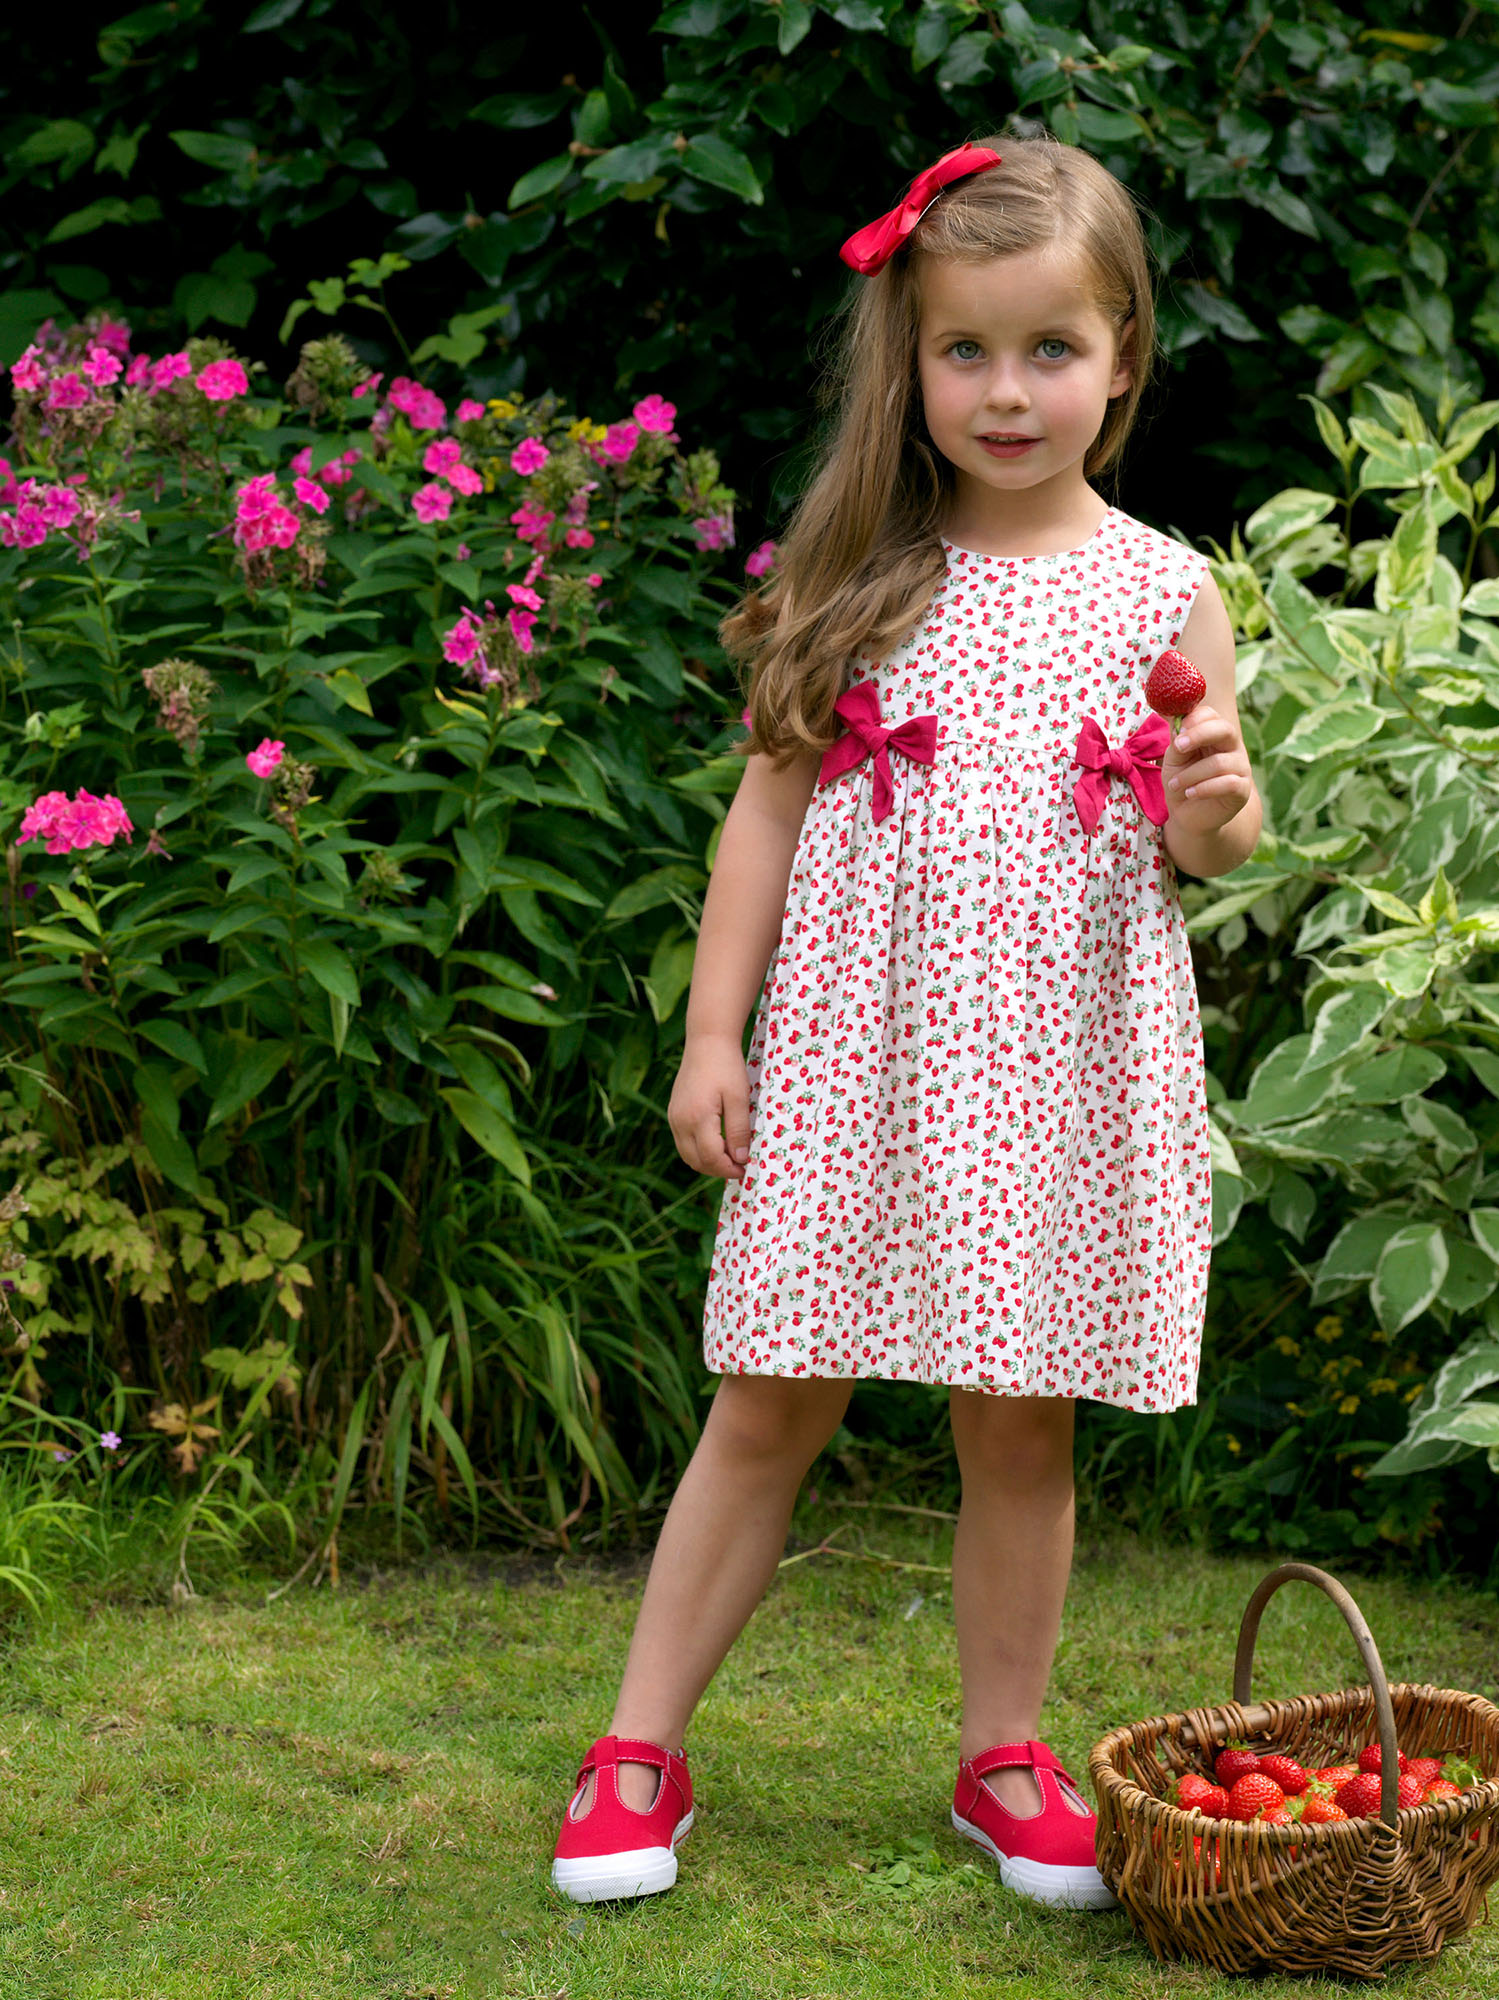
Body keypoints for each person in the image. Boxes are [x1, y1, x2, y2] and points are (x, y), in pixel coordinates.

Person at [550, 132, 1261, 1910]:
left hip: (1055, 1069)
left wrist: (1220, 795)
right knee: (768, 1397)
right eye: (967, 351)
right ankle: (636, 1745)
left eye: (1051, 351)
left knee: (1020, 1424)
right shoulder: (860, 565)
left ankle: (1005, 1757)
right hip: (860, 1063)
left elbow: (1202, 842)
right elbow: (767, 817)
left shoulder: (1162, 591)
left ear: (1123, 356)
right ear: (912, 358)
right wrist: (717, 1039)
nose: (1007, 392)